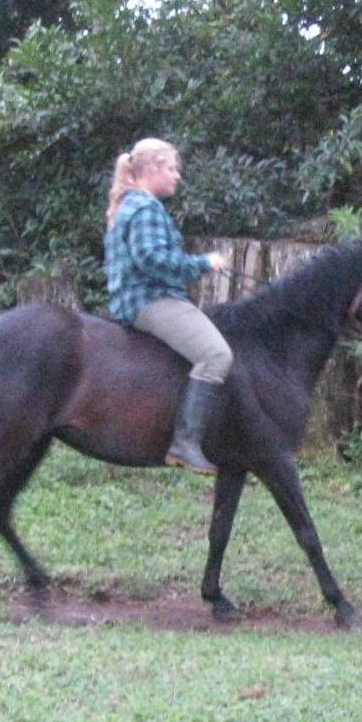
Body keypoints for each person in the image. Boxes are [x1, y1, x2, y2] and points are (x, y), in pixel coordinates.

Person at [103, 138, 233, 474]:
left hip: (136, 299)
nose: (177, 176)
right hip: (151, 301)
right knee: (217, 355)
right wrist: (203, 263)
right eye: (173, 168)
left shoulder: (129, 204)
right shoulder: (145, 207)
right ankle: (186, 444)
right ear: (153, 168)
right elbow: (152, 259)